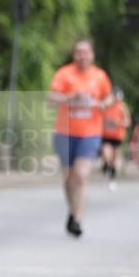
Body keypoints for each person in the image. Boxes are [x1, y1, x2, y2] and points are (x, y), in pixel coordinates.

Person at [48, 39, 113, 237]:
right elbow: (51, 99)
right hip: (65, 132)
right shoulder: (64, 74)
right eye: (78, 52)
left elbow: (109, 97)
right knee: (68, 179)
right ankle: (72, 209)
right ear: (74, 55)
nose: (82, 56)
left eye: (86, 52)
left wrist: (103, 103)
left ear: (92, 55)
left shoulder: (99, 76)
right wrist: (70, 96)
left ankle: (77, 219)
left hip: (90, 133)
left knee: (81, 175)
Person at [100, 87, 131, 187]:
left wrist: (119, 123)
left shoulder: (122, 107)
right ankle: (105, 170)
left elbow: (127, 122)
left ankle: (112, 178)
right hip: (106, 135)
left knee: (114, 158)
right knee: (105, 154)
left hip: (118, 136)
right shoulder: (105, 107)